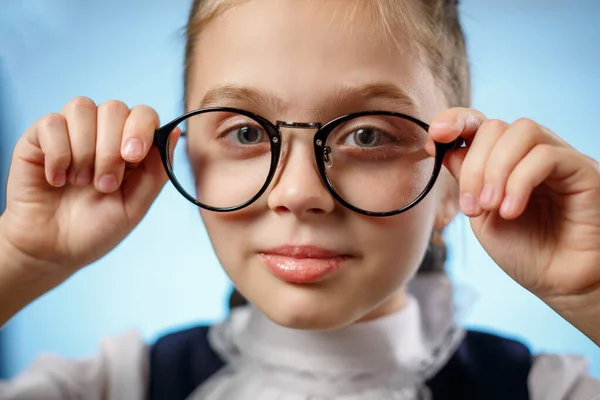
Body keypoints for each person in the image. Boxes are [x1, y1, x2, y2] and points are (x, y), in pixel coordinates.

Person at [0, 0, 599, 399]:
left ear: (452, 182)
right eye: (246, 133)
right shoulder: (117, 387)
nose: (298, 194)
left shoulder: (546, 390)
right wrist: (22, 260)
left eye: (368, 135)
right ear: (185, 162)